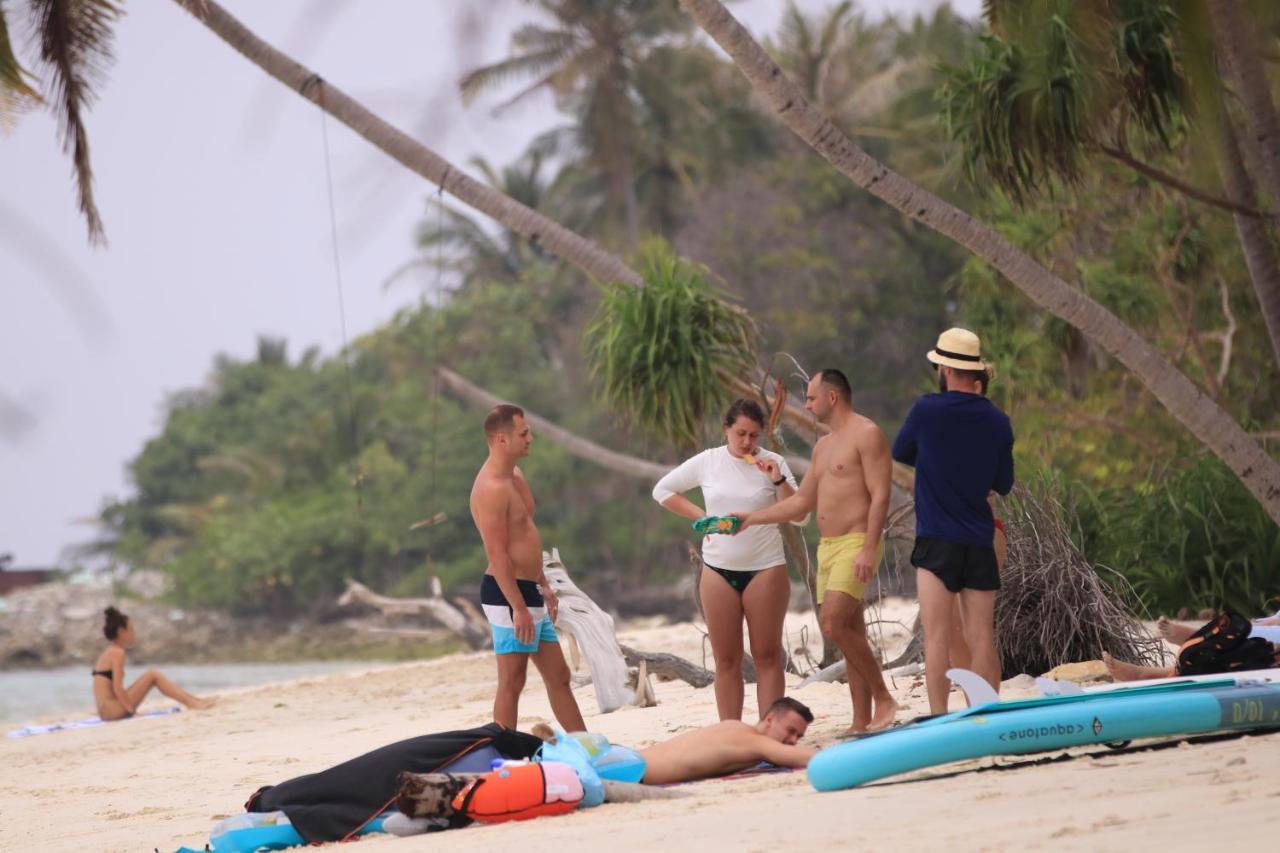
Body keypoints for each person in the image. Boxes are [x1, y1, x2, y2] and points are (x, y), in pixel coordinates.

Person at [733, 370, 899, 733]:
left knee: (833, 623)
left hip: (857, 542)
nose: (806, 405)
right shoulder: (823, 446)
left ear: (833, 397)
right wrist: (752, 518)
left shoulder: (867, 434)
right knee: (848, 628)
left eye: (810, 397)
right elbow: (801, 504)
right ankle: (861, 721)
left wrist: (869, 548)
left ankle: (884, 698)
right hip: (828, 548)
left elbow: (881, 495)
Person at [892, 328, 1014, 715]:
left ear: (944, 368)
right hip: (978, 538)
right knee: (981, 636)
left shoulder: (927, 409)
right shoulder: (997, 419)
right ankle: (984, 711)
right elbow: (1004, 483)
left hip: (936, 539)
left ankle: (940, 717)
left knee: (937, 637)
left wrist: (937, 461)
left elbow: (900, 451)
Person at [652, 399, 799, 721]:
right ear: (726, 429)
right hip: (718, 569)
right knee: (727, 660)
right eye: (741, 433)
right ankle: (731, 733)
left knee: (767, 656)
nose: (747, 442)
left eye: (754, 436)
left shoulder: (773, 462)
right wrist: (703, 518)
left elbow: (800, 515)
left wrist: (778, 481)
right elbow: (662, 491)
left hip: (765, 567)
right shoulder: (709, 461)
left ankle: (769, 731)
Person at [470, 403, 586, 732]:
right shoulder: (491, 489)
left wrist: (544, 584)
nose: (531, 438)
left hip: (529, 589)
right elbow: (498, 555)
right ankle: (503, 755)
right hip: (508, 595)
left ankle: (584, 747)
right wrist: (518, 608)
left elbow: (526, 536)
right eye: (523, 433)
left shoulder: (515, 475)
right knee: (512, 681)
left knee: (559, 676)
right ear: (502, 440)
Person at [638, 696, 816, 784]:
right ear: (770, 719)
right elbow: (802, 757)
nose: (793, 741)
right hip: (628, 772)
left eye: (798, 736)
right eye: (790, 731)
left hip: (626, 761)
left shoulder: (734, 726)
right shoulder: (753, 740)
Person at [91, 606, 215, 721]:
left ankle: (195, 701)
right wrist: (132, 711)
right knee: (153, 674)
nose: (134, 634)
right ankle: (193, 703)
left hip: (106, 711)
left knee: (152, 674)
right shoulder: (117, 653)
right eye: (131, 629)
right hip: (111, 711)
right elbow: (118, 688)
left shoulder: (110, 651)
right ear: (121, 631)